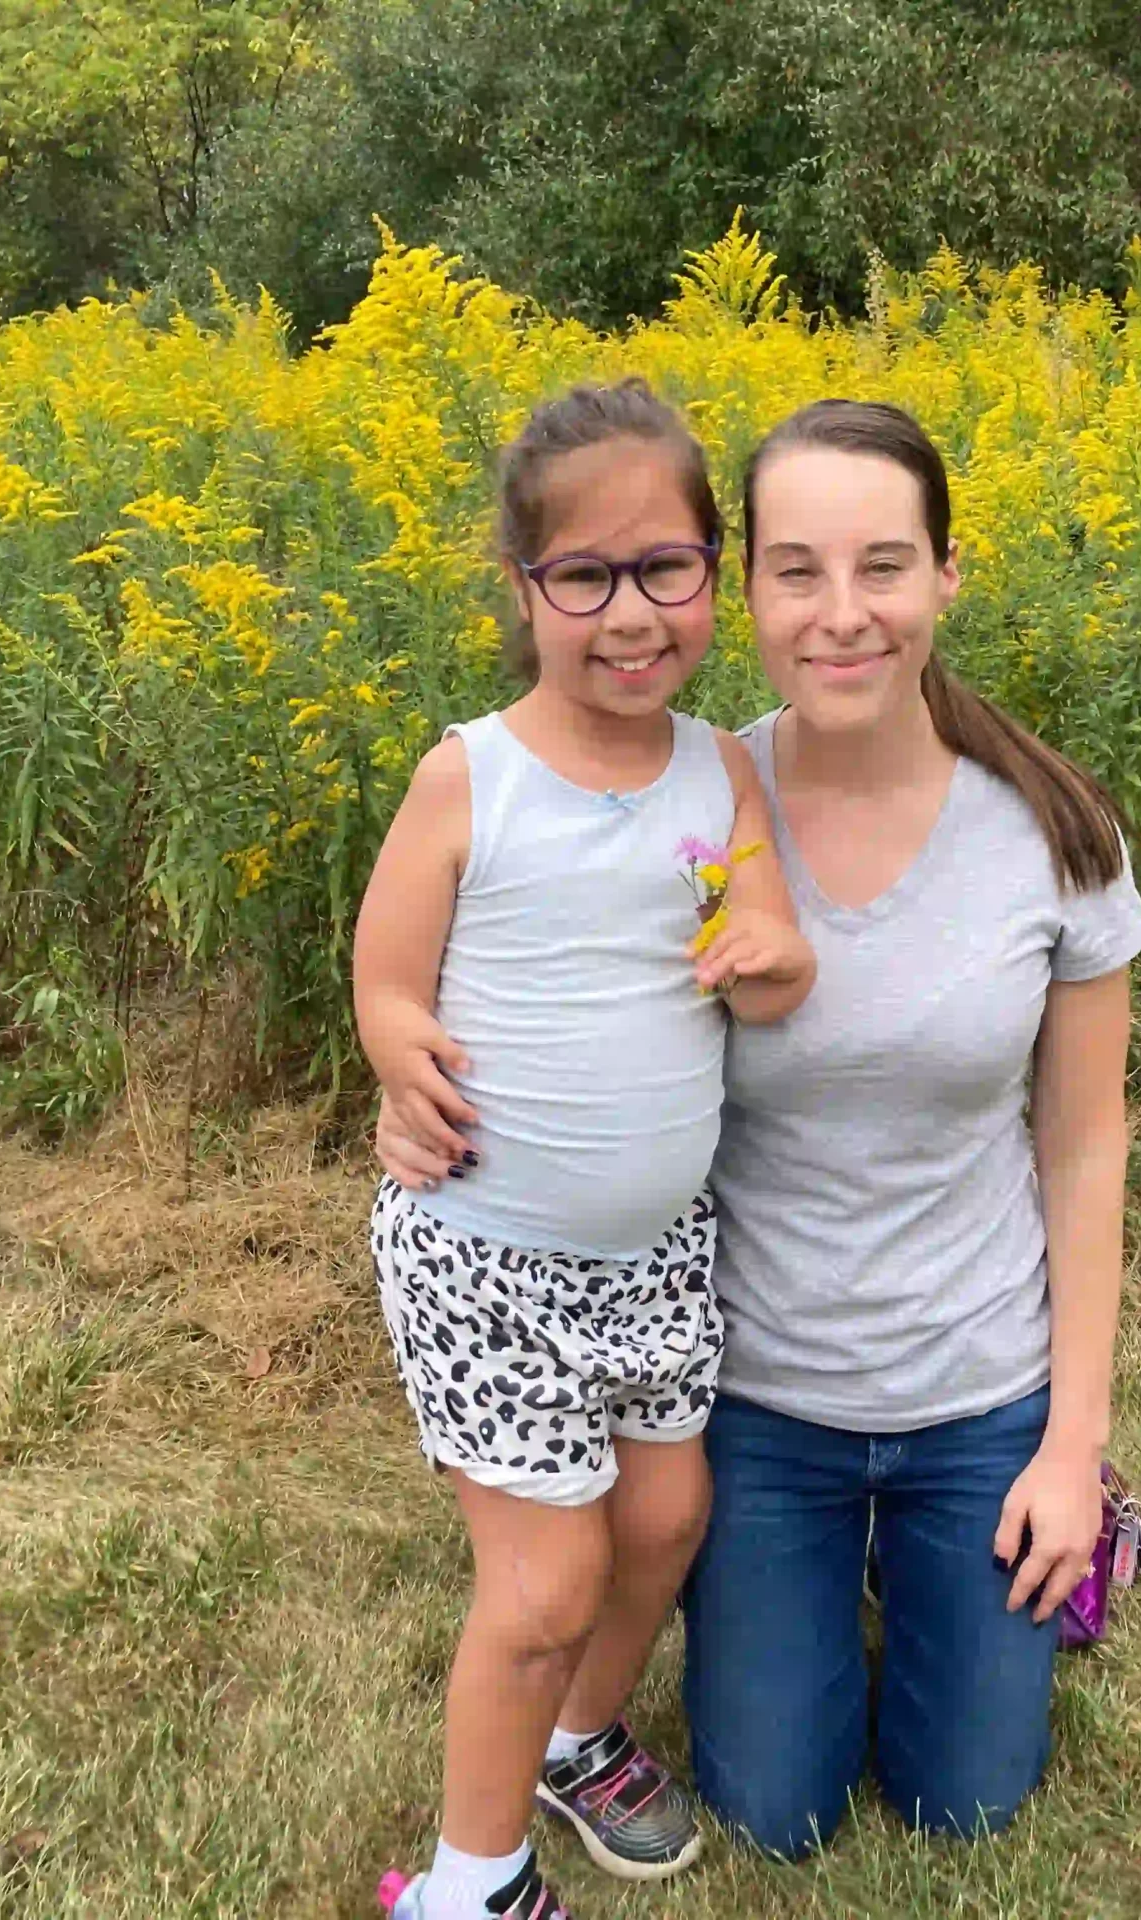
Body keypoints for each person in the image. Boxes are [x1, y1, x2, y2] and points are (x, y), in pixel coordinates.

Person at [381, 397, 1141, 1859]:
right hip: (755, 1399)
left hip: (979, 1392)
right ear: (747, 593)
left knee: (966, 1800)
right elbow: (525, 975)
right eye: (798, 570)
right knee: (775, 1807)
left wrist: (1071, 1443)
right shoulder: (683, 794)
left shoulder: (1053, 830)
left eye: (884, 566)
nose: (842, 614)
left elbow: (1086, 1149)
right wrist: (402, 1071)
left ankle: (1057, 1523)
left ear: (947, 576)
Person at [359, 377, 815, 1920]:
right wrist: (390, 1048)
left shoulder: (717, 769)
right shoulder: (470, 773)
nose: (631, 614)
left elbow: (779, 942)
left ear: (715, 570)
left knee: (670, 1520)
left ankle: (576, 1738)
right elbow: (381, 975)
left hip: (657, 1259)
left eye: (666, 569)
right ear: (526, 590)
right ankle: (467, 1886)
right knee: (545, 1582)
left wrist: (763, 950)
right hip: (485, 1253)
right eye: (585, 578)